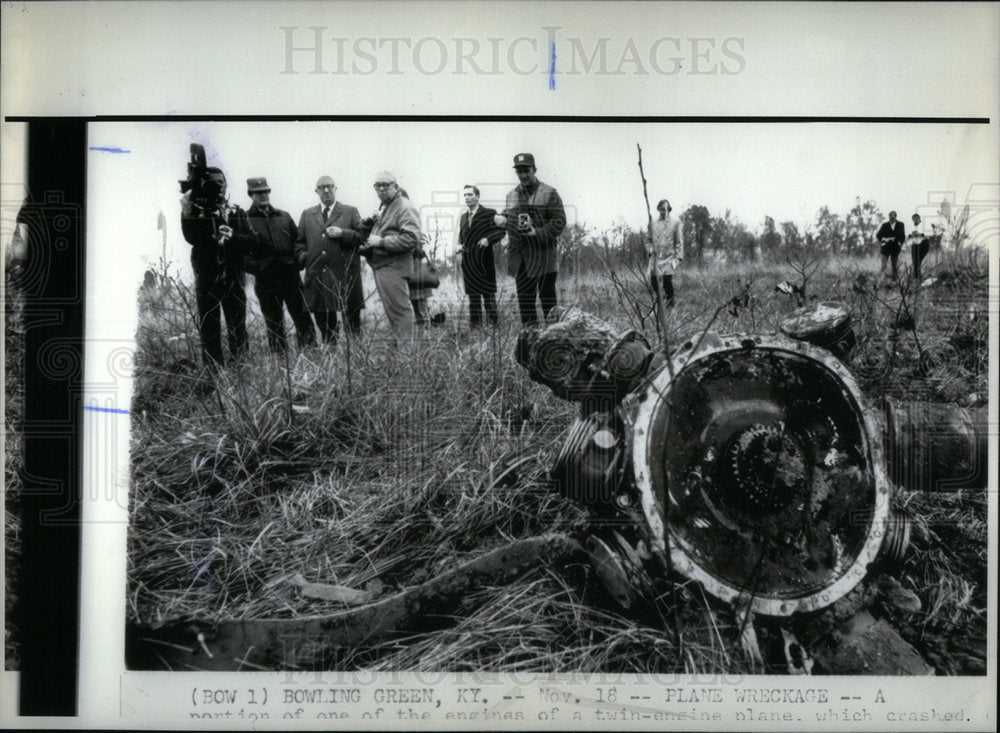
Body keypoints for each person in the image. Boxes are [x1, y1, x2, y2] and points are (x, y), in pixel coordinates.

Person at [180, 168, 256, 367]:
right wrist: (187, 211)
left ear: (226, 183)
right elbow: (191, 238)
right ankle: (214, 374)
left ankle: (242, 370)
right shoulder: (197, 211)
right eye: (213, 182)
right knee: (209, 328)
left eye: (221, 181)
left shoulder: (236, 211)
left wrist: (232, 236)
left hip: (234, 277)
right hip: (207, 277)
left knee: (237, 327)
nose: (219, 186)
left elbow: (251, 241)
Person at [244, 177, 316, 353]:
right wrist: (259, 268)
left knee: (303, 320)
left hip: (290, 277)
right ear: (251, 194)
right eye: (259, 192)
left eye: (266, 191)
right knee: (274, 325)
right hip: (266, 281)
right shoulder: (244, 219)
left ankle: (311, 358)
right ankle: (280, 364)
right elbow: (241, 254)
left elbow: (298, 242)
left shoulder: (283, 216)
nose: (263, 195)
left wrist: (297, 263)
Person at [496, 153, 567, 326]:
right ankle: (530, 342)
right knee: (526, 306)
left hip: (544, 257)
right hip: (520, 260)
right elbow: (510, 218)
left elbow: (560, 221)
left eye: (526, 170)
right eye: (519, 171)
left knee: (549, 303)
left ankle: (553, 342)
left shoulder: (549, 192)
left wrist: (538, 233)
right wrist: (501, 219)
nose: (523, 175)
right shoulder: (511, 195)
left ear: (534, 169)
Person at [295, 176, 365, 346]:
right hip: (318, 273)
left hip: (344, 273)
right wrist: (305, 257)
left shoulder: (350, 211)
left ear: (335, 188)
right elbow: (299, 242)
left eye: (329, 186)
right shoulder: (307, 214)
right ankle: (330, 352)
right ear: (316, 191)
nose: (326, 190)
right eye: (322, 187)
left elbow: (362, 237)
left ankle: (355, 352)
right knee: (324, 318)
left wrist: (343, 233)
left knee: (351, 316)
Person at [358, 171, 420, 340]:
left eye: (386, 185)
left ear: (396, 186)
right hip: (384, 265)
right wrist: (370, 222)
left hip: (395, 265)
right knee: (394, 313)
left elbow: (412, 239)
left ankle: (406, 359)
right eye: (378, 186)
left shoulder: (404, 206)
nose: (381, 189)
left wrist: (382, 242)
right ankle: (402, 355)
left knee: (400, 313)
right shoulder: (386, 206)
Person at [458, 184, 505, 328]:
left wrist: (488, 240)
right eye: (465, 195)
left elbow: (501, 232)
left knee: (488, 297)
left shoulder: (489, 213)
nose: (467, 198)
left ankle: (494, 330)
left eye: (470, 195)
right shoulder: (463, 217)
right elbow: (462, 237)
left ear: (477, 197)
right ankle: (476, 330)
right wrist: (459, 246)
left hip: (485, 263)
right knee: (473, 300)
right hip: (469, 264)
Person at [647, 198, 684, 308]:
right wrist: (649, 250)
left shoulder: (676, 223)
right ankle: (660, 303)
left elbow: (678, 241)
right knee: (654, 282)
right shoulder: (652, 223)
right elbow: (648, 239)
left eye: (664, 209)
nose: (662, 212)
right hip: (656, 258)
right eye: (660, 210)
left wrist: (678, 258)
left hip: (669, 258)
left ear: (669, 209)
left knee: (667, 281)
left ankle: (670, 305)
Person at [876, 210, 905, 280]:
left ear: (895, 217)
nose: (891, 218)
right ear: (889, 217)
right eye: (890, 216)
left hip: (895, 248)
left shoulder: (900, 224)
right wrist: (884, 240)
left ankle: (894, 280)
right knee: (883, 265)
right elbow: (878, 235)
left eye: (893, 216)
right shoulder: (884, 225)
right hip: (886, 248)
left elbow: (902, 235)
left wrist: (900, 243)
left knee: (894, 265)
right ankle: (882, 279)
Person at [907, 212, 931, 281]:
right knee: (915, 262)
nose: (915, 220)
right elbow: (909, 237)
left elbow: (927, 235)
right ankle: (916, 277)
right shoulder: (911, 227)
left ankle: (917, 277)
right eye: (913, 219)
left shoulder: (924, 225)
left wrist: (920, 234)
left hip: (923, 245)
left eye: (916, 219)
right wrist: (911, 235)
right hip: (914, 245)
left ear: (919, 219)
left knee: (918, 261)